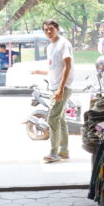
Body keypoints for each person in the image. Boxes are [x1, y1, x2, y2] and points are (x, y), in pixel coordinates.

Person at [33, 20, 73, 163]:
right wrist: (39, 72)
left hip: (62, 88)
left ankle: (54, 152)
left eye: (51, 29)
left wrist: (61, 88)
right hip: (54, 88)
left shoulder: (64, 43)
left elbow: (67, 66)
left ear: (57, 29)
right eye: (45, 30)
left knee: (52, 118)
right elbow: (53, 68)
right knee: (61, 120)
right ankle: (63, 151)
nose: (48, 32)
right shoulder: (50, 47)